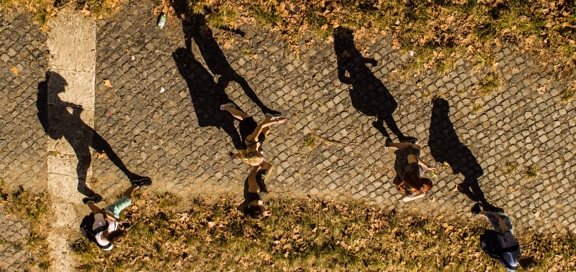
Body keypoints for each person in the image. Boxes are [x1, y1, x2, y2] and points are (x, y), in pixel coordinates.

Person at [81, 178, 151, 250]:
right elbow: (114, 236)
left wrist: (117, 220)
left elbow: (97, 210)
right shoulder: (107, 246)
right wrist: (123, 229)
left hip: (111, 211)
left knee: (127, 200)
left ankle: (136, 184)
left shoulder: (100, 226)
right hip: (113, 220)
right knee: (127, 201)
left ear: (114, 231)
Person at [221, 103, 286, 166]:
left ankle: (226, 107)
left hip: (248, 128)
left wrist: (277, 121)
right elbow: (239, 157)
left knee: (243, 116)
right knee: (266, 131)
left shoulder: (253, 140)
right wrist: (233, 155)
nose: (263, 157)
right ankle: (269, 116)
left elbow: (261, 126)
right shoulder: (248, 158)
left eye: (261, 156)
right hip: (259, 138)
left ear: (256, 153)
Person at [472, 203, 524, 271]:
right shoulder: (511, 267)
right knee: (496, 225)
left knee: (503, 220)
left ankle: (478, 211)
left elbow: (505, 231)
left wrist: (500, 220)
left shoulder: (514, 245)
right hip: (496, 243)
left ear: (525, 258)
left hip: (501, 236)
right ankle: (490, 213)